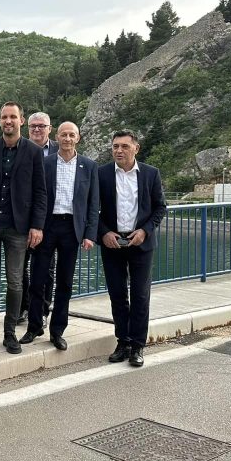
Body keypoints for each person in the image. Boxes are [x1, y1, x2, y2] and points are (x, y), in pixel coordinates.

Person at [0, 102, 47, 355]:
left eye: (13, 117)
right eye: (4, 117)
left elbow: (40, 191)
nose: (8, 121)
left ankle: (9, 333)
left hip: (19, 228)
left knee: (15, 282)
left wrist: (37, 225)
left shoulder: (34, 152)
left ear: (21, 121)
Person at [21, 121, 98, 351]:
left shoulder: (89, 166)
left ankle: (57, 331)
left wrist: (89, 234)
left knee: (65, 282)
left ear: (78, 138)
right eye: (63, 135)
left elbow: (93, 203)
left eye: (71, 135)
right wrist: (34, 226)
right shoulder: (45, 163)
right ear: (57, 137)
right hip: (46, 227)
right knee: (37, 280)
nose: (67, 139)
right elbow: (34, 198)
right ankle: (34, 326)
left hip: (72, 229)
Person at [97, 130, 167, 368]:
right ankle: (123, 342)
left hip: (141, 243)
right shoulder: (102, 174)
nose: (119, 150)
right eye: (115, 146)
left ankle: (137, 346)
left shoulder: (150, 173)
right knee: (117, 295)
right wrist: (104, 232)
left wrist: (144, 231)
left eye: (125, 146)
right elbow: (91, 209)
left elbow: (160, 208)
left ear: (136, 148)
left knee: (140, 296)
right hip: (112, 243)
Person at [20, 111, 57, 326]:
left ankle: (43, 310)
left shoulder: (59, 151)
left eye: (41, 126)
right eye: (33, 126)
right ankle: (24, 308)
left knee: (46, 270)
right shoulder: (19, 148)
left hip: (49, 222)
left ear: (49, 129)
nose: (36, 129)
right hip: (21, 221)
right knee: (19, 268)